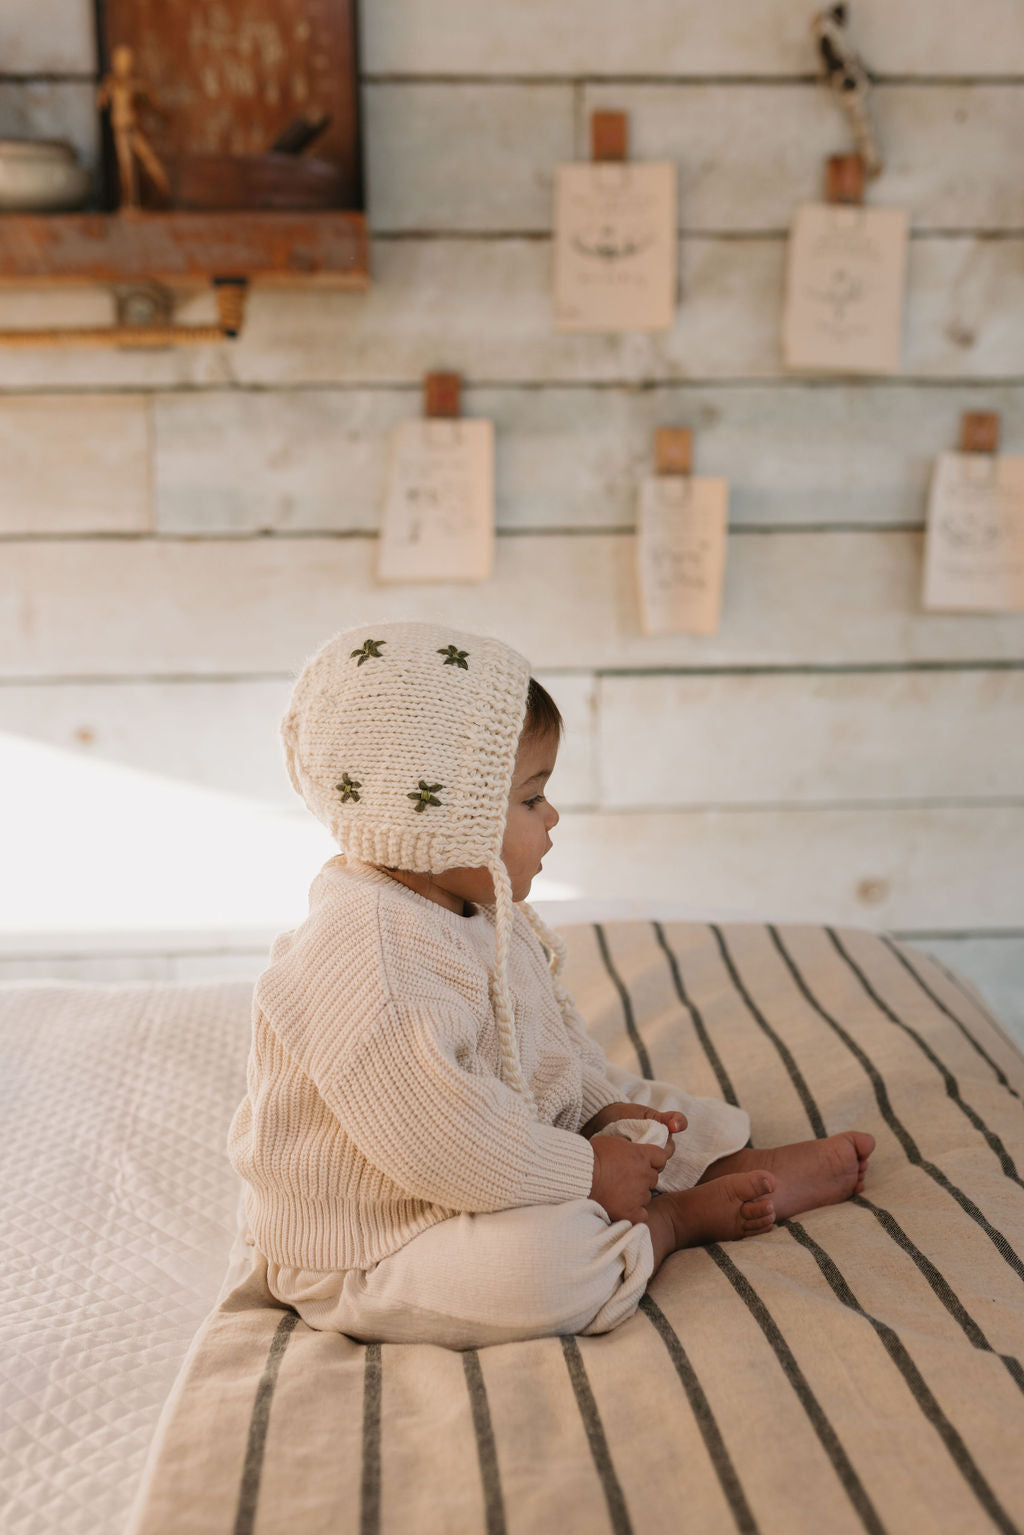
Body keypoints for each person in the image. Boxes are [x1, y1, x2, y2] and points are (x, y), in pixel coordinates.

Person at [227, 620, 874, 1348]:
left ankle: (712, 1164)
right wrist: (587, 1170)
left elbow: (543, 1049)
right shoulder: (369, 956)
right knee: (542, 1265)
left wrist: (598, 1112)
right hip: (371, 1235)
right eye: (531, 798)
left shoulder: (472, 909)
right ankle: (666, 1222)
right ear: (440, 819)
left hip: (482, 1163)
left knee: (637, 1100)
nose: (553, 815)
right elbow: (442, 1145)